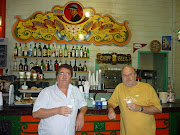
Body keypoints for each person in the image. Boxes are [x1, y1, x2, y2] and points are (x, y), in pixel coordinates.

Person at [32, 64, 88, 135]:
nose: (64, 77)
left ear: (71, 77)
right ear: (57, 76)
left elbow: (84, 105)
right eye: (61, 74)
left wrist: (81, 114)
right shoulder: (47, 92)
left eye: (68, 74)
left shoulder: (75, 90)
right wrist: (57, 110)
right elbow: (36, 114)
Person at [108, 66, 162, 135]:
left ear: (135, 75)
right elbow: (111, 103)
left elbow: (158, 109)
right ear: (121, 77)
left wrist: (139, 108)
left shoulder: (147, 88)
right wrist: (110, 109)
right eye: (124, 75)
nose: (127, 78)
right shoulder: (119, 88)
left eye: (130, 74)